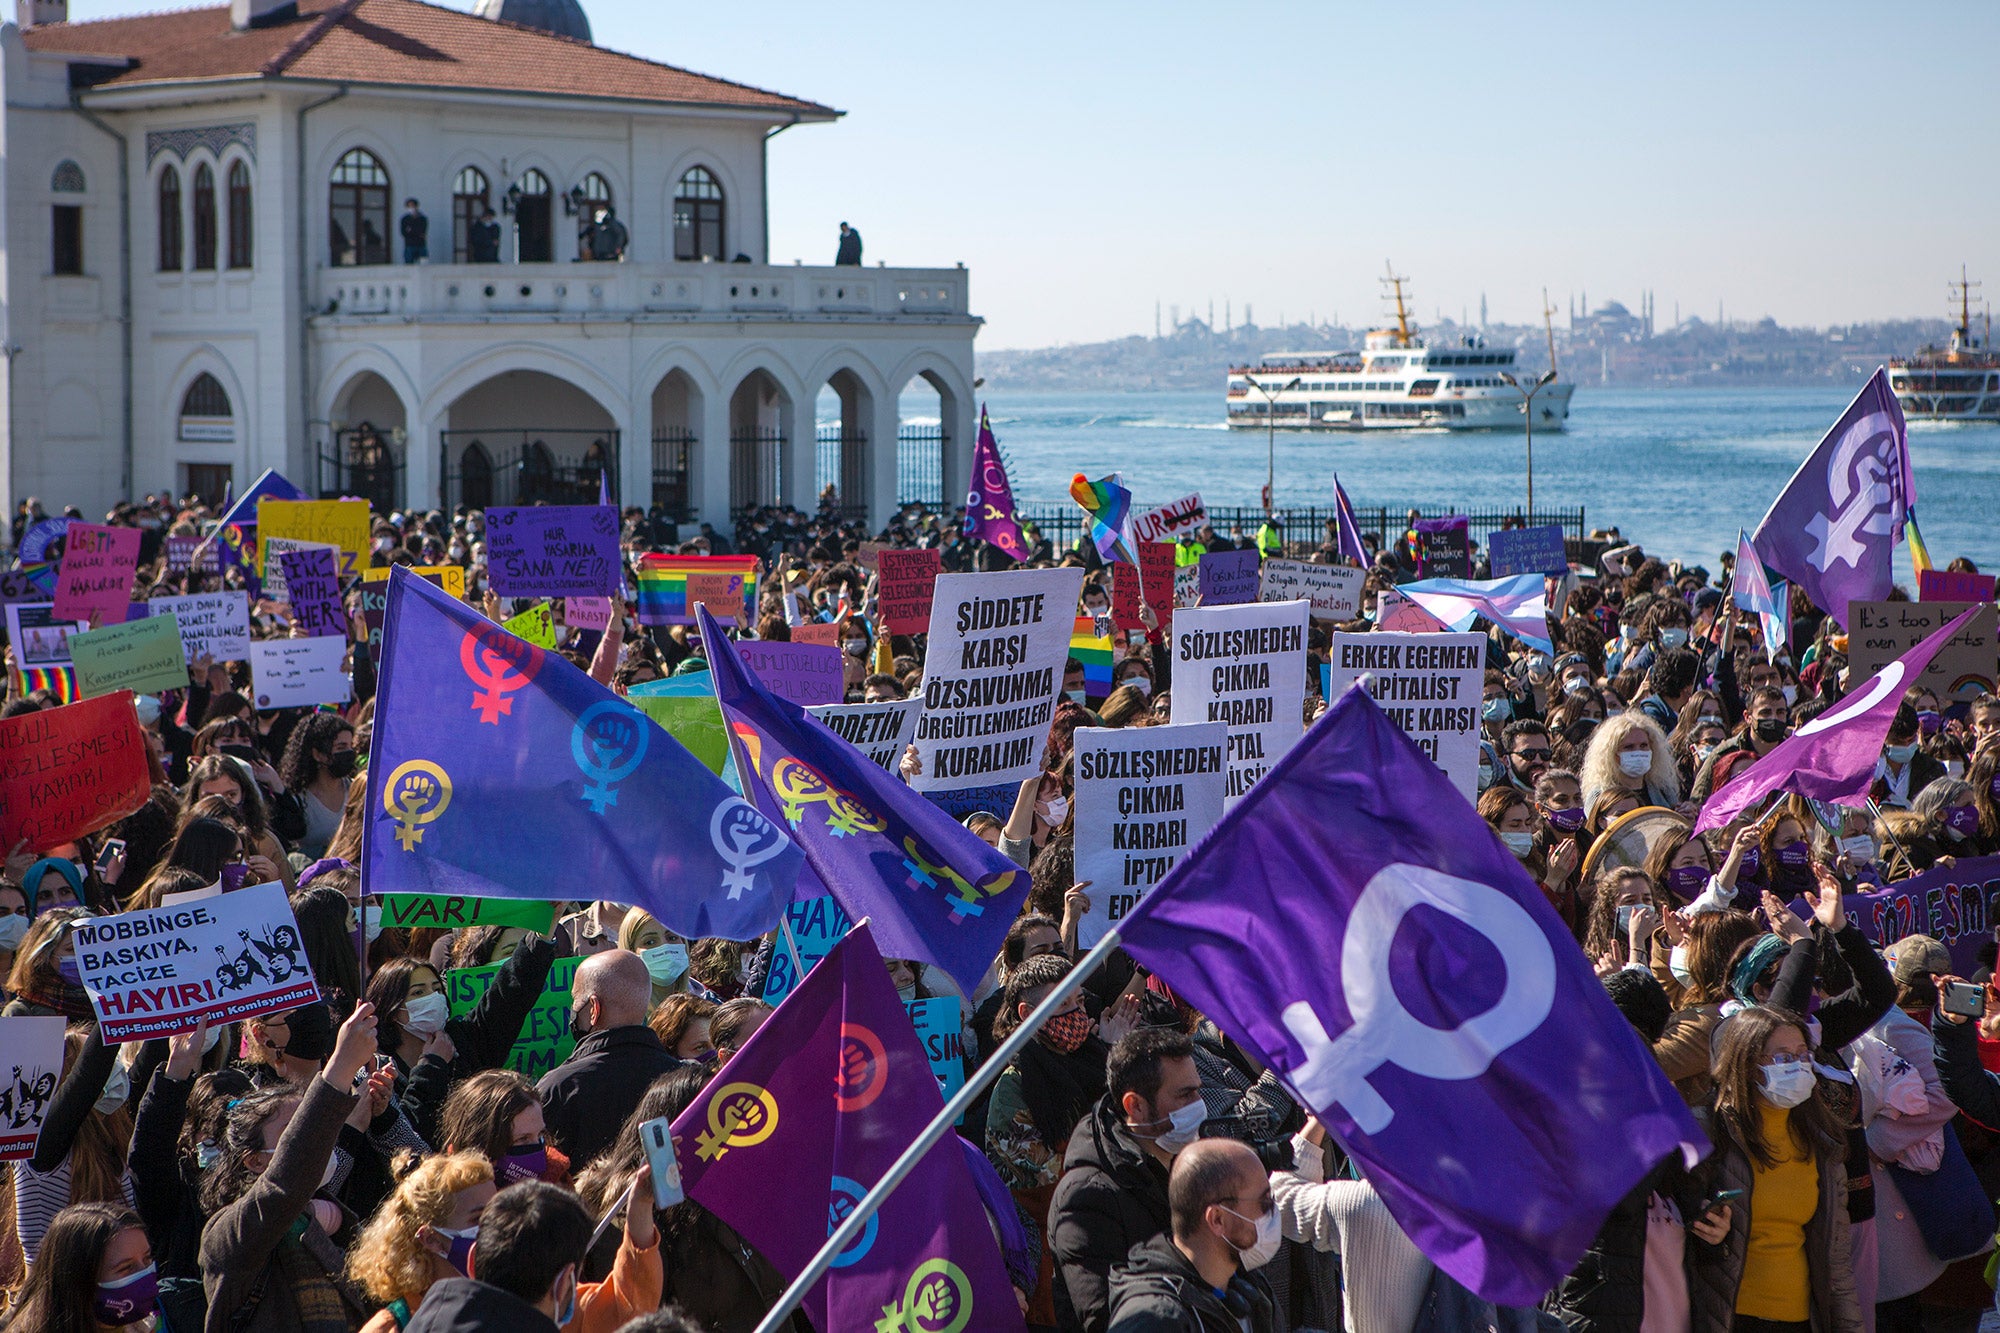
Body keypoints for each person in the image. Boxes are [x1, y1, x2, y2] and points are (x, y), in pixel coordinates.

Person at [199, 1003, 380, 1331]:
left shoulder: (337, 1223)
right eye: (291, 1133)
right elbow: (286, 1183)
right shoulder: (228, 1235)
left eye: (304, 1126)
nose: (313, 1141)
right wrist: (339, 1067)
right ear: (254, 1161)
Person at [1687, 1005, 1863, 1332]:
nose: (1796, 1066)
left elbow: (1836, 1263)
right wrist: (1707, 1232)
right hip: (1732, 1319)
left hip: (1801, 1319)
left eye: (1802, 1055)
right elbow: (1675, 1231)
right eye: (1782, 1058)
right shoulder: (1709, 1132)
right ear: (1749, 1064)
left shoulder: (1821, 1144)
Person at [1049, 1026, 1205, 1333]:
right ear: (1135, 1105)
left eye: (1198, 1090)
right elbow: (1105, 1317)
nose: (1199, 1104)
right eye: (1185, 1094)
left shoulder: (1192, 1164)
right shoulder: (1086, 1197)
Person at [1105, 1139, 1281, 1333]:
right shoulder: (1155, 1320)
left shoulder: (1252, 1288)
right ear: (1217, 1219)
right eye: (1264, 1203)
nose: (1273, 1212)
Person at [538, 949, 682, 1169]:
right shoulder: (684, 1080)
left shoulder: (559, 1088)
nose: (573, 1009)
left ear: (594, 1008)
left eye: (576, 1000)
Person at [348, 1151, 496, 1330]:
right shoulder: (391, 1327)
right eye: (478, 1219)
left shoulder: (505, 1306)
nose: (496, 1227)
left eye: (497, 1213)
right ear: (430, 1238)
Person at [2, 1201, 160, 1330]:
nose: (144, 1273)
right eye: (126, 1268)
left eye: (147, 1259)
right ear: (80, 1276)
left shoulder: (146, 1325)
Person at [1581, 711, 1681, 812]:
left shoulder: (1664, 791)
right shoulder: (1599, 795)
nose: (1638, 751)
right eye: (1629, 747)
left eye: (1643, 745)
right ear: (1612, 753)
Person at [401, 199, 429, 263]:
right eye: (409, 206)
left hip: (421, 244)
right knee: (409, 264)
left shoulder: (422, 218)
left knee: (424, 263)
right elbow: (403, 232)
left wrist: (411, 230)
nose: (411, 208)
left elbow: (422, 231)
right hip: (409, 244)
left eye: (412, 206)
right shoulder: (405, 219)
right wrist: (415, 232)